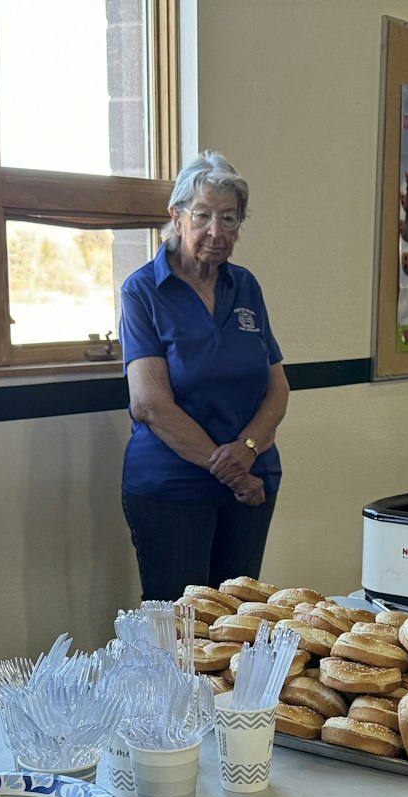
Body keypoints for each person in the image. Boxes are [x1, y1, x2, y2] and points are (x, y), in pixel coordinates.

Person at [120, 152, 289, 600]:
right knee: (179, 632)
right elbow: (149, 404)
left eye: (229, 218)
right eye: (204, 215)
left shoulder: (246, 285)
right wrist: (234, 472)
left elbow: (277, 386)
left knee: (238, 625)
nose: (216, 231)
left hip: (252, 483)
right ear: (177, 217)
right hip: (172, 487)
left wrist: (249, 450)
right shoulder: (142, 291)